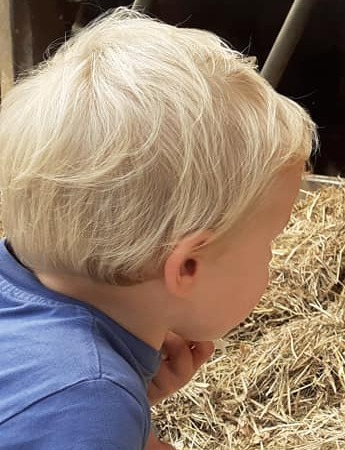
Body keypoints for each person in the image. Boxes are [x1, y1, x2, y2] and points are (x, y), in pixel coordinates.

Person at [0, 7, 316, 449]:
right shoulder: (81, 402)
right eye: (269, 242)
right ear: (187, 266)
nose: (272, 259)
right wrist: (104, 404)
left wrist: (129, 398)